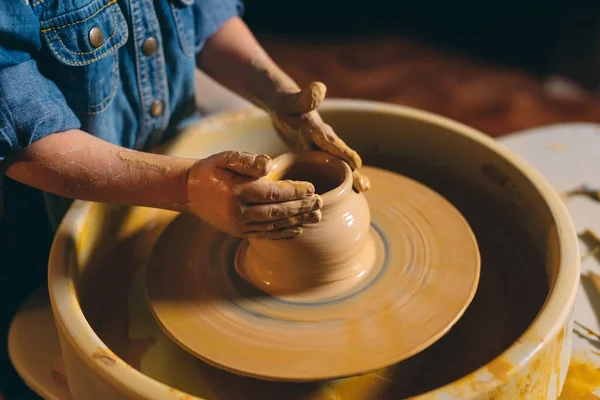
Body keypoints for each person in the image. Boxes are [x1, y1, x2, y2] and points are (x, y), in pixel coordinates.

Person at [0, 0, 369, 396]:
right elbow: (20, 135)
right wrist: (190, 188)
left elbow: (206, 15)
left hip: (182, 152)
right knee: (38, 355)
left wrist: (278, 95)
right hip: (52, 202)